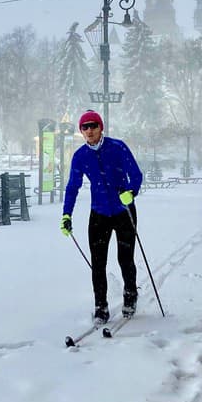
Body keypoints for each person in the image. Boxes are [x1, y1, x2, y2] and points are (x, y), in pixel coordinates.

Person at [60, 110, 143, 324]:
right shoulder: (80, 157)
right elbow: (72, 187)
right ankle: (100, 307)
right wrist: (66, 215)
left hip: (123, 211)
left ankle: (130, 295)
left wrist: (131, 192)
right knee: (98, 264)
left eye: (93, 126)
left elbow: (136, 174)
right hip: (99, 214)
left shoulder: (117, 147)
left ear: (101, 128)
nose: (89, 130)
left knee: (125, 259)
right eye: (84, 127)